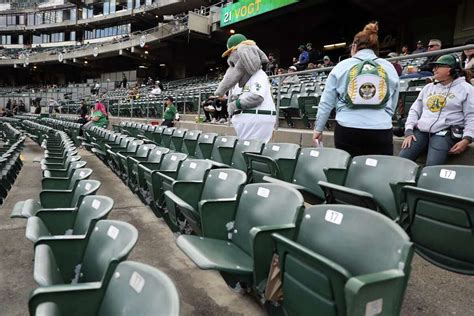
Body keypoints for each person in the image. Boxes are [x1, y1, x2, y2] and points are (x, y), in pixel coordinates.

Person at [313, 22, 400, 156]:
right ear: (376, 48)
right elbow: (393, 101)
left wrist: (318, 129)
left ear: (354, 47)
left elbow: (326, 102)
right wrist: (383, 117)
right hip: (380, 129)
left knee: (349, 172)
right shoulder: (389, 67)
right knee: (378, 173)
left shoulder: (341, 66)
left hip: (347, 129)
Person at [399, 54, 474, 166]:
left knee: (432, 165)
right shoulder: (428, 88)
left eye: (438, 66)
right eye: (434, 66)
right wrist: (409, 130)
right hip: (422, 131)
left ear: (452, 70)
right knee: (402, 159)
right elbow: (415, 110)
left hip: (446, 132)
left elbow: (471, 116)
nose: (434, 69)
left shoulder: (466, 89)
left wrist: (467, 139)